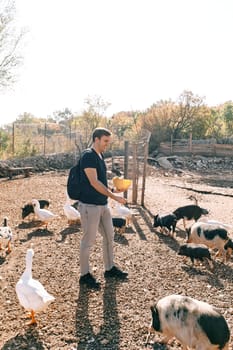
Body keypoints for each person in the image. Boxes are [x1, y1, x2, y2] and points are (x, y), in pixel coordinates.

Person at [78, 127, 128, 290]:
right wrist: (115, 198)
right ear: (96, 139)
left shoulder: (100, 156)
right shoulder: (88, 156)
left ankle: (109, 268)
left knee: (109, 236)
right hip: (89, 206)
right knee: (88, 241)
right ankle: (84, 275)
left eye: (108, 141)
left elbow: (102, 183)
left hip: (102, 204)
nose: (107, 144)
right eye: (105, 141)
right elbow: (94, 182)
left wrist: (113, 191)